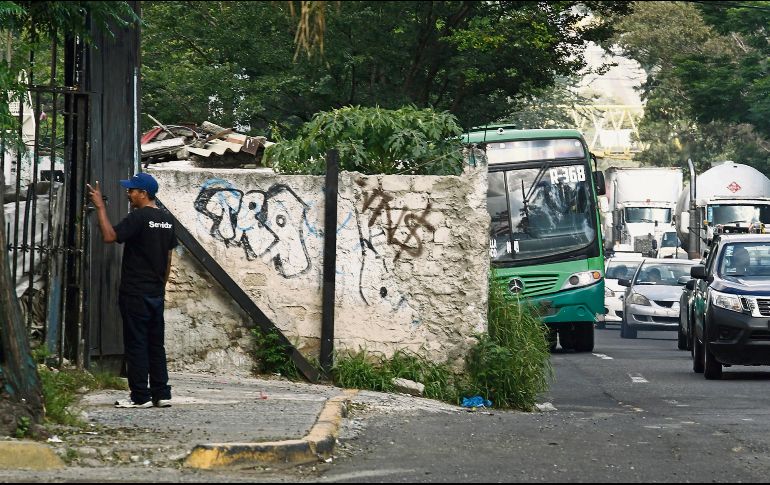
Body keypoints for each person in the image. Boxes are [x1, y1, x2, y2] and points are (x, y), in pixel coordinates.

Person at [87, 172, 177, 409]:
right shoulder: (167, 220)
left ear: (143, 193)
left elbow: (109, 236)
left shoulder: (138, 217)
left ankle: (140, 396)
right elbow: (168, 259)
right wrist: (160, 287)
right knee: (156, 344)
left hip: (135, 292)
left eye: (131, 190)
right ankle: (162, 393)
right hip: (155, 293)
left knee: (136, 343)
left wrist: (100, 207)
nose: (128, 194)